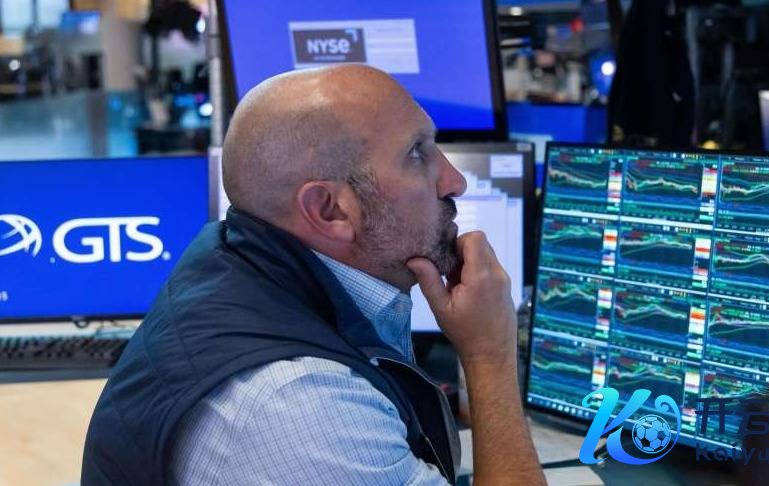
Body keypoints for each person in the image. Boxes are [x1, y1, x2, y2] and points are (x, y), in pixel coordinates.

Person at [82, 65, 544, 485]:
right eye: (416, 154)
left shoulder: (235, 260)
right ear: (329, 210)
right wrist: (489, 354)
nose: (454, 181)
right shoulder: (300, 406)